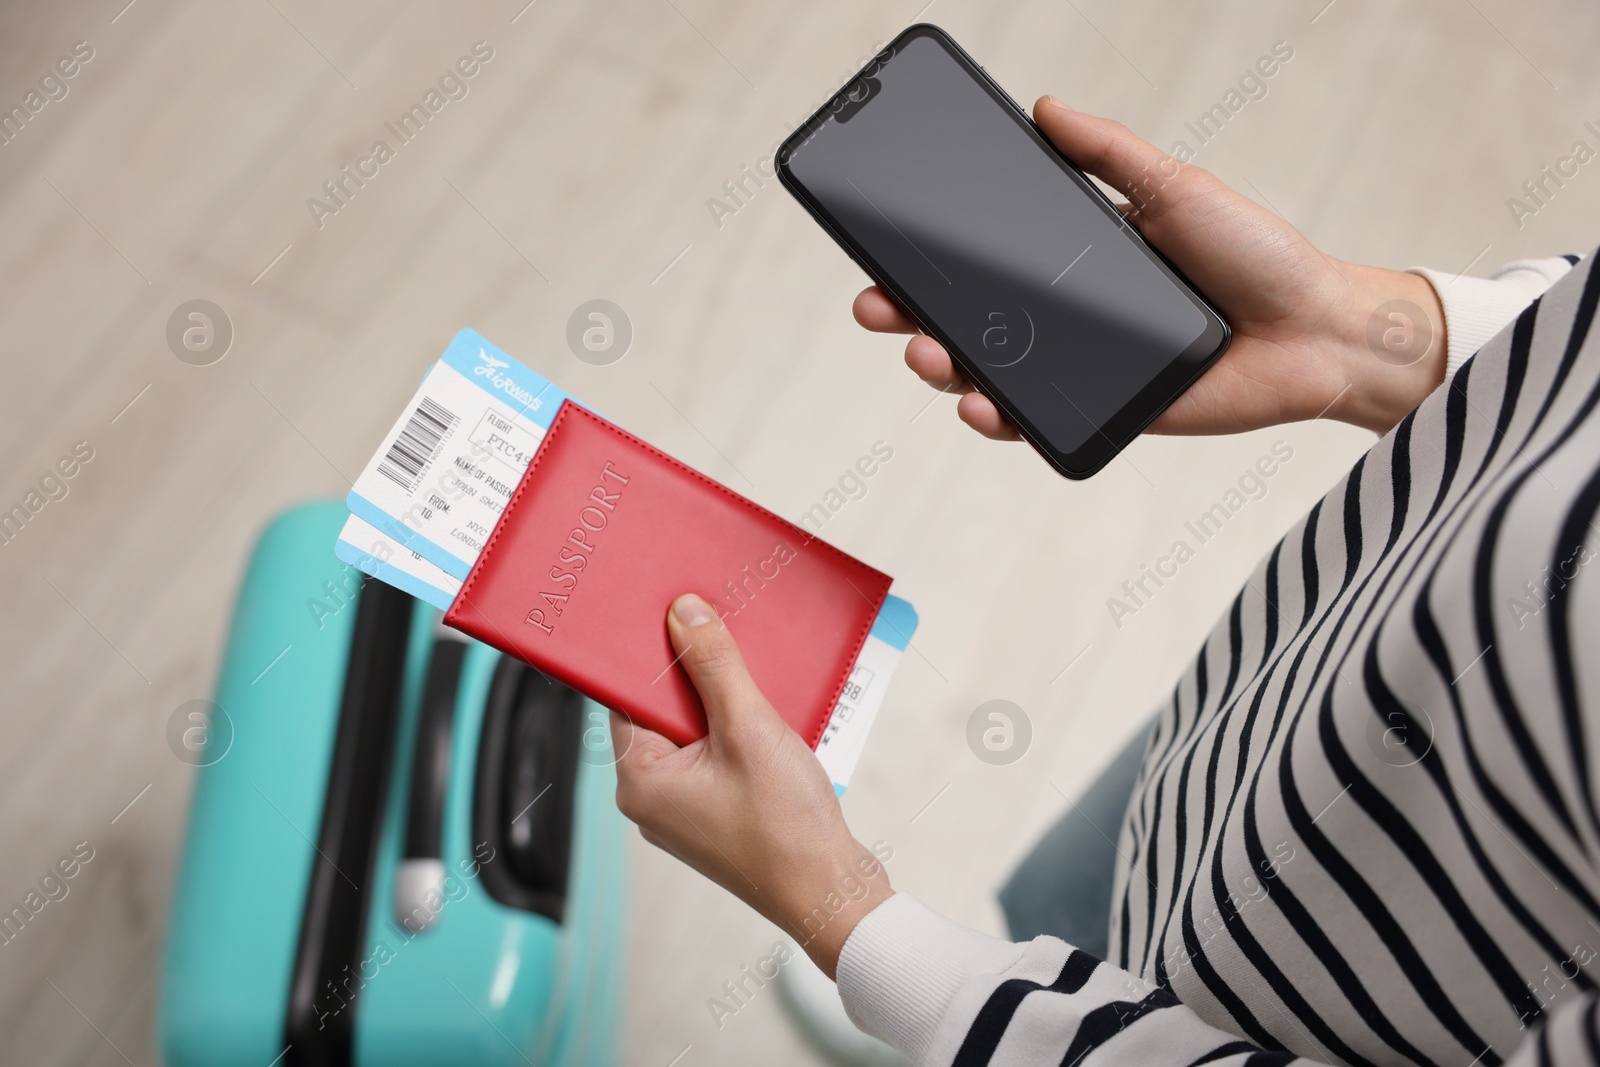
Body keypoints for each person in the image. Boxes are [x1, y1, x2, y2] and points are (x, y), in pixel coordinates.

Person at [612, 97, 1595, 1065]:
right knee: (1080, 899)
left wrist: (867, 934)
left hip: (1330, 986)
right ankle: (996, 999)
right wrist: (1355, 331)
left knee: (1029, 976)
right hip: (1284, 695)